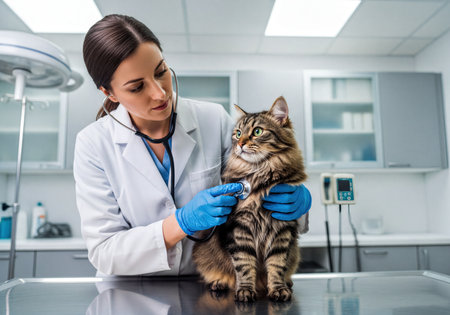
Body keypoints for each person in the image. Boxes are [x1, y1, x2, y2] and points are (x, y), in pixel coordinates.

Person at [74, 14, 311, 277]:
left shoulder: (213, 119)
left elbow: (260, 199)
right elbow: (104, 252)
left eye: (161, 72)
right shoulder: (93, 144)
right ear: (110, 93)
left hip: (206, 283)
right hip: (130, 288)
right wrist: (181, 222)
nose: (160, 93)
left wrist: (297, 205)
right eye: (137, 87)